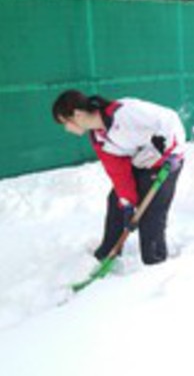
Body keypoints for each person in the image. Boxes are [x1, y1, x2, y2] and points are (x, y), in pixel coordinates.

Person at [52, 90, 186, 265]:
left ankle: (155, 262)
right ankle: (108, 252)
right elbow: (119, 173)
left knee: (150, 215)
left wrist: (165, 146)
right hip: (141, 162)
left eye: (65, 122)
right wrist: (128, 203)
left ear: (77, 115)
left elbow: (170, 119)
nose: (66, 129)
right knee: (116, 201)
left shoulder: (124, 112)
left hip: (167, 160)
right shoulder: (99, 138)